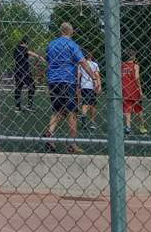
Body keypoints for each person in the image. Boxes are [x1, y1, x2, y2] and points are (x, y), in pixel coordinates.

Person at [44, 23, 95, 153]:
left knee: (58, 110)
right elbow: (83, 62)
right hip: (67, 81)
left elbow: (48, 61)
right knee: (72, 112)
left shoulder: (51, 44)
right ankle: (72, 143)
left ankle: (49, 133)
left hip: (53, 80)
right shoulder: (72, 45)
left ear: (61, 31)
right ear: (71, 32)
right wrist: (93, 78)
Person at [13, 39, 42, 110]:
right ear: (25, 43)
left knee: (18, 87)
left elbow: (25, 56)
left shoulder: (15, 50)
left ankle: (17, 106)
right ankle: (29, 105)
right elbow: (29, 52)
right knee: (32, 87)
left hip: (17, 71)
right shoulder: (23, 48)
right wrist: (39, 57)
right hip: (25, 71)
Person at [121, 55, 145, 135]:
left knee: (127, 109)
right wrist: (140, 91)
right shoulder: (135, 66)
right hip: (134, 90)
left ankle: (128, 127)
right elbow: (137, 78)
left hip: (125, 90)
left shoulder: (122, 66)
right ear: (134, 57)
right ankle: (142, 126)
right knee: (138, 109)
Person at [78, 56, 101, 129]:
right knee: (93, 105)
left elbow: (79, 75)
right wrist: (99, 85)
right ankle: (92, 122)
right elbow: (97, 76)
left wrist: (78, 85)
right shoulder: (94, 64)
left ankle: (84, 117)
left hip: (84, 86)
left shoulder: (81, 64)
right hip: (92, 86)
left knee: (85, 103)